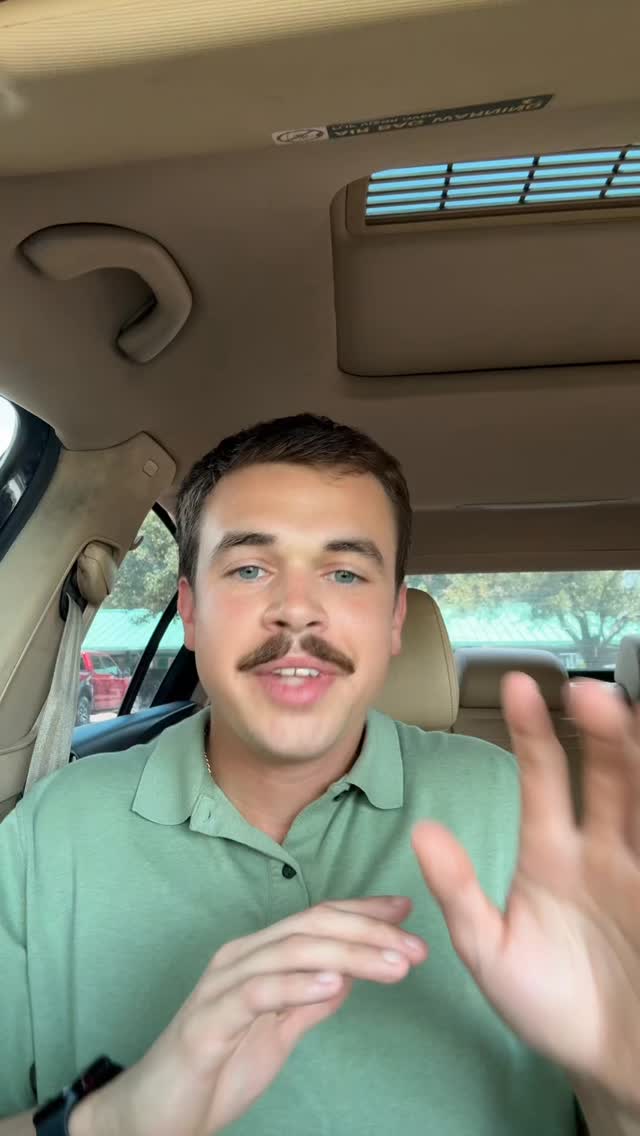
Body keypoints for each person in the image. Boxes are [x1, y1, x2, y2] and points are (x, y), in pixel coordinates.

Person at [1, 413, 639, 1136]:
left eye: (345, 573)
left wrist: (621, 1088)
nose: (297, 611)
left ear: (394, 619)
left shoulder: (516, 811)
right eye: (249, 568)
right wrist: (114, 1120)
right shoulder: (50, 831)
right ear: (190, 611)